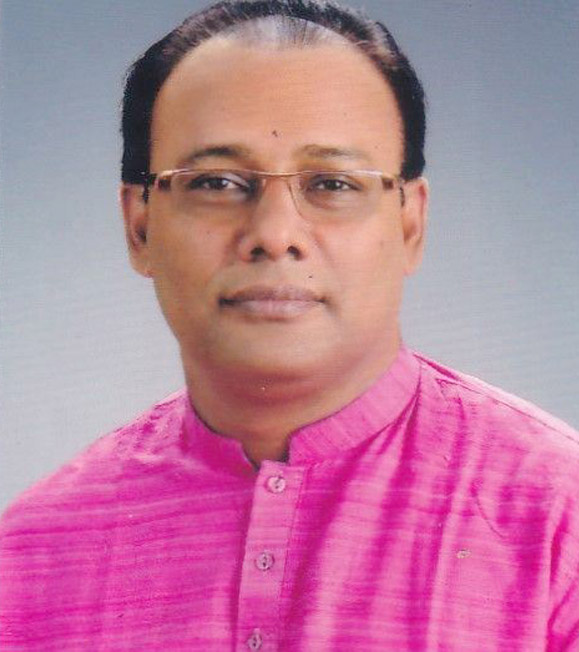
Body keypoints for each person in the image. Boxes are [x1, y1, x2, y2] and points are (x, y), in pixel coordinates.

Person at [1, 0, 578, 649]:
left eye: (332, 184)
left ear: (409, 224)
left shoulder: (558, 518)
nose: (275, 234)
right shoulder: (30, 554)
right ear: (140, 226)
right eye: (217, 183)